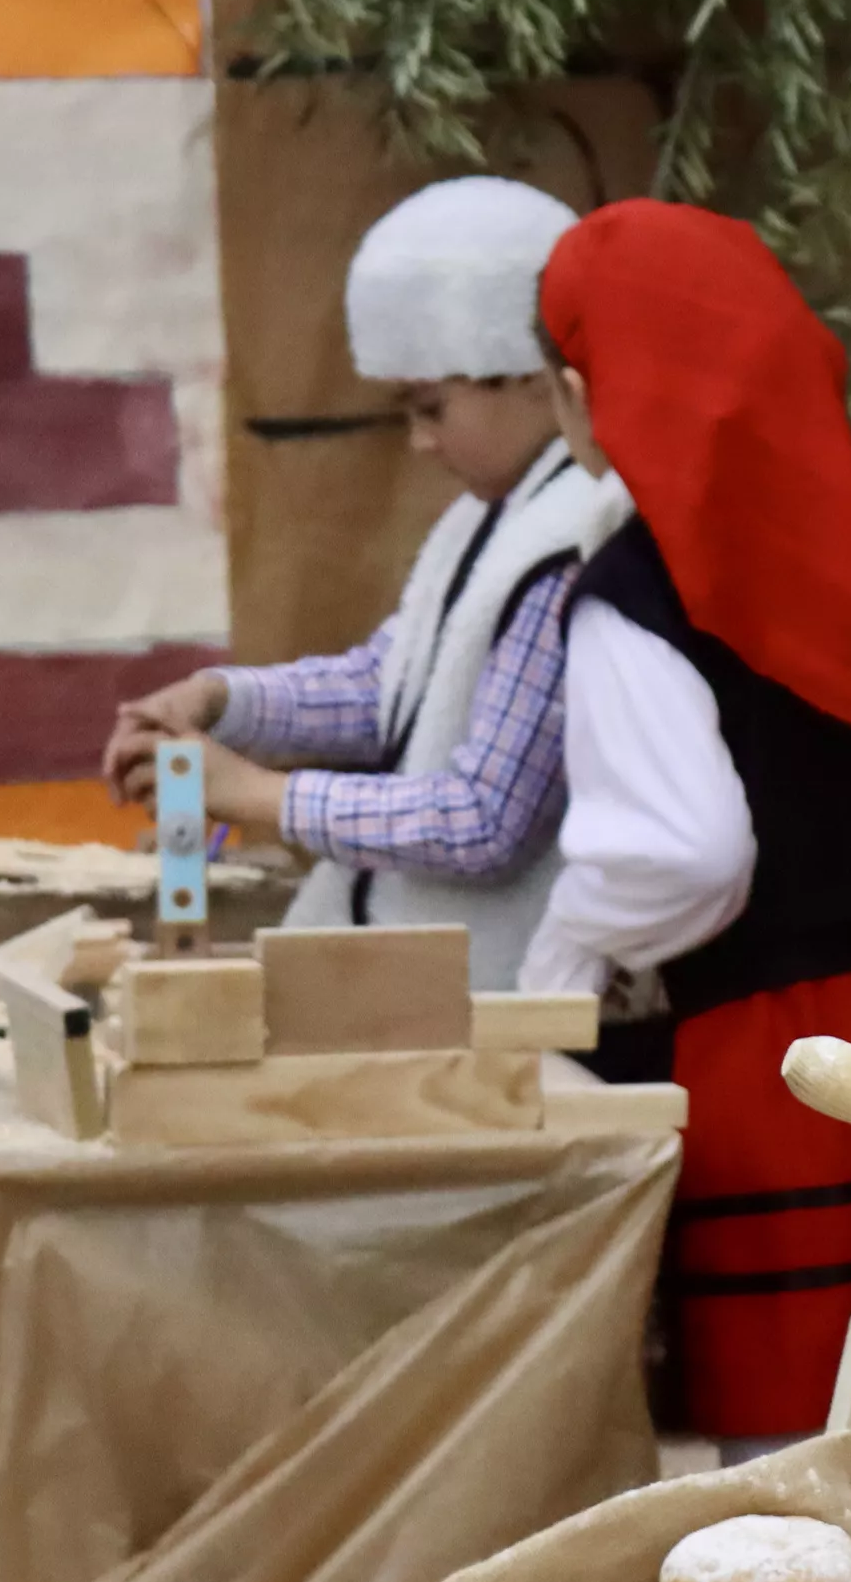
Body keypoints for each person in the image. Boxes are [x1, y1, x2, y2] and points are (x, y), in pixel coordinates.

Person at [525, 199, 851, 1440]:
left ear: (599, 392)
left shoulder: (633, 598)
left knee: (787, 1467)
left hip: (772, 1068)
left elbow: (682, 851)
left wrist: (562, 961)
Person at [103, 177, 620, 990]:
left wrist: (258, 794)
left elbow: (482, 822)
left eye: (431, 408)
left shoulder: (574, 541)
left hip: (497, 1002)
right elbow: (389, 683)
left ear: (527, 375)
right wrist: (222, 702)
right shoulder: (493, 517)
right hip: (416, 981)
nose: (419, 443)